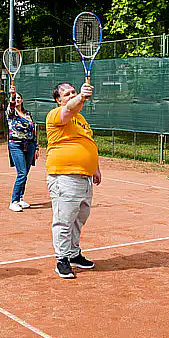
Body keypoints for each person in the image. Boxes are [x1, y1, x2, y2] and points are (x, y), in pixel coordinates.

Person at [45, 81, 102, 278]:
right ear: (58, 100)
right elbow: (69, 109)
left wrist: (95, 168)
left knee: (80, 218)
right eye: (67, 94)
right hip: (64, 175)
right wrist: (81, 97)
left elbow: (88, 142)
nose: (71, 95)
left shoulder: (81, 120)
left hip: (84, 177)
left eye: (73, 92)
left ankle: (73, 254)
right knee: (64, 220)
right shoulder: (56, 115)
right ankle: (61, 259)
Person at [6, 89, 37, 212]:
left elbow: (33, 130)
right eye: (15, 98)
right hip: (16, 144)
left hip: (29, 145)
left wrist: (36, 146)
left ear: (22, 100)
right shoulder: (11, 113)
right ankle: (13, 201)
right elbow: (11, 105)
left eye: (19, 98)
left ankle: (20, 198)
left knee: (26, 173)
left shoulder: (28, 114)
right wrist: (12, 95)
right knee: (22, 173)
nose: (17, 100)